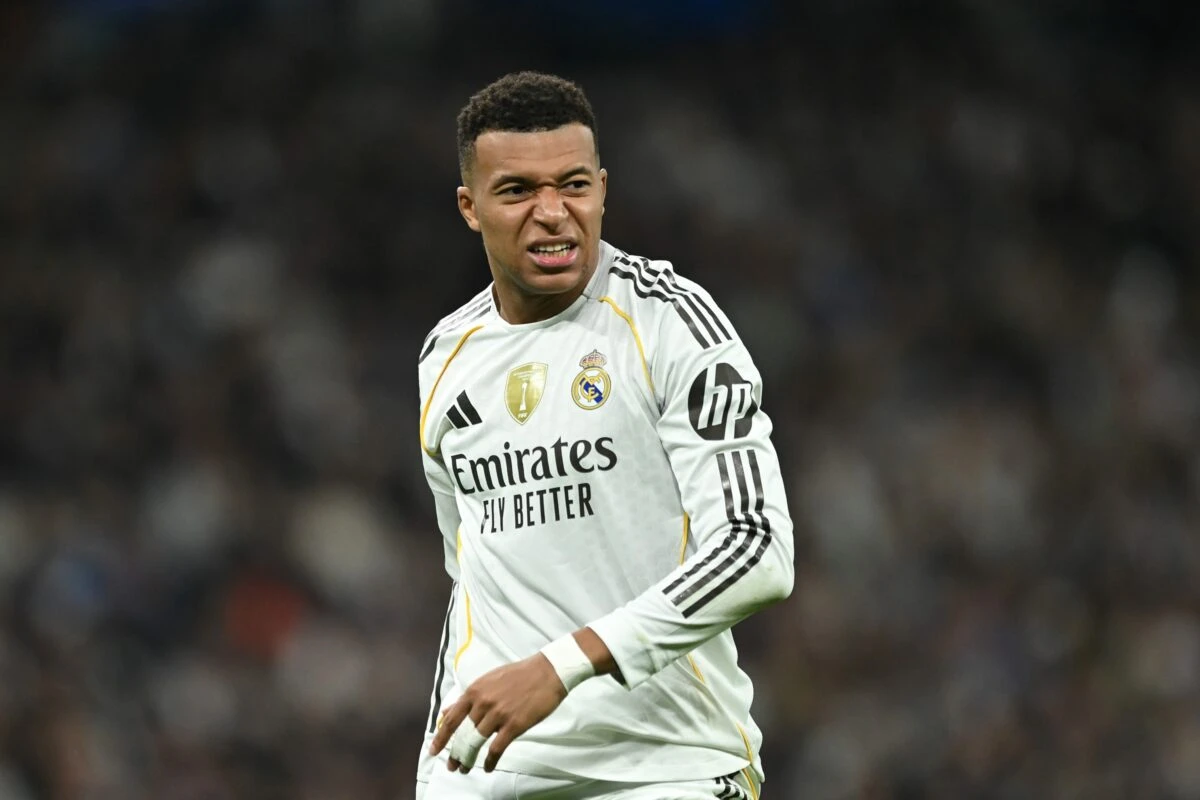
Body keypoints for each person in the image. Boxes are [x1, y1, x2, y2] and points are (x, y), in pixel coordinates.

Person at [415, 70, 795, 800]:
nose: (552, 213)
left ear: (603, 190)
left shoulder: (670, 322)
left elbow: (756, 549)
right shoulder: (446, 356)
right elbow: (473, 582)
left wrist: (560, 667)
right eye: (517, 191)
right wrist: (434, 776)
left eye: (573, 185)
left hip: (663, 767)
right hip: (493, 775)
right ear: (470, 207)